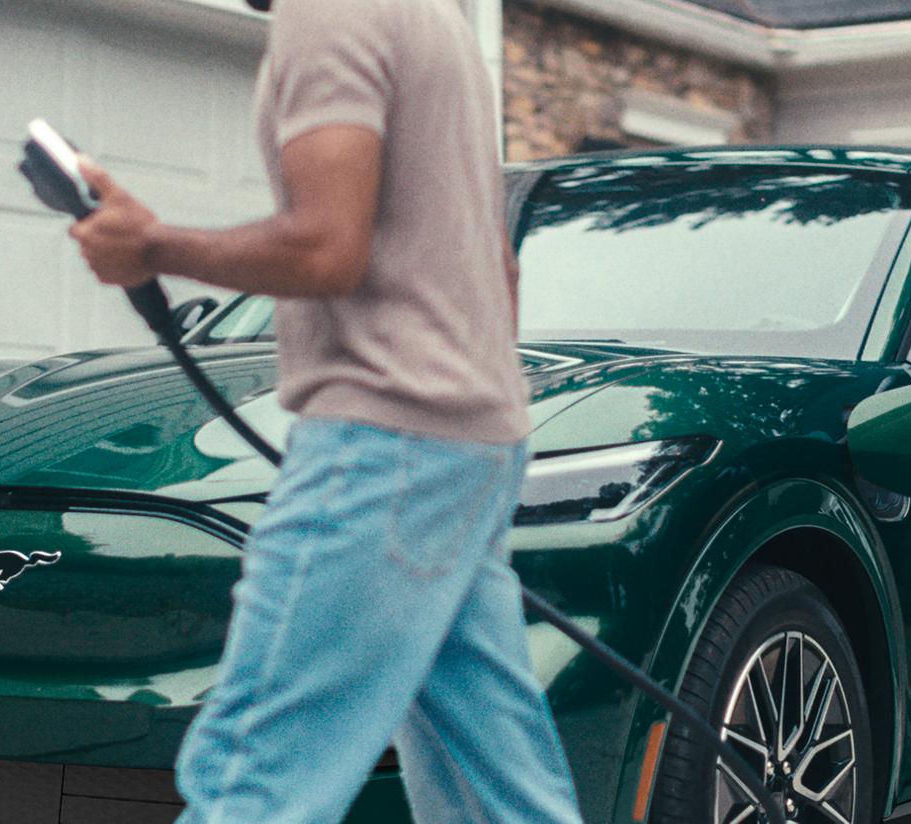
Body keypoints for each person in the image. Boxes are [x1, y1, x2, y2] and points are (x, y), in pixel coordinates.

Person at [66, 0, 585, 822]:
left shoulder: (330, 12)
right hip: (468, 436)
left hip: (388, 438)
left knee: (256, 776)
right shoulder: (433, 19)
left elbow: (325, 248)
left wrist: (152, 246)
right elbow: (496, 265)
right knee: (498, 788)